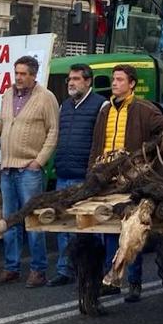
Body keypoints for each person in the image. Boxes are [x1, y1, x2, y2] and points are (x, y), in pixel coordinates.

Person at [90, 64, 163, 303]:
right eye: (114, 79)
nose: (114, 83)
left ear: (131, 83)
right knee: (109, 229)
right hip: (108, 177)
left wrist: (147, 155)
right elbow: (97, 145)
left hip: (133, 179)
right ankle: (112, 278)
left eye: (120, 80)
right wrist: (91, 172)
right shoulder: (105, 111)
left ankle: (134, 281)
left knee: (130, 229)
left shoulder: (144, 109)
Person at [0, 55, 60, 287]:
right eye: (16, 73)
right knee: (9, 220)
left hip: (29, 169)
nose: (18, 78)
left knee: (33, 220)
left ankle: (38, 270)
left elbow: (53, 132)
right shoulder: (7, 94)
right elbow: (3, 120)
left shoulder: (46, 98)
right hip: (7, 167)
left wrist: (39, 161)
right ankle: (11, 267)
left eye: (23, 74)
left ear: (34, 75)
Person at [47, 64, 106, 287]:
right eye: (69, 79)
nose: (71, 83)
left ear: (88, 81)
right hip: (64, 173)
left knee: (90, 227)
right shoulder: (65, 106)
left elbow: (100, 141)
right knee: (64, 225)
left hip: (85, 176)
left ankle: (92, 271)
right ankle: (65, 270)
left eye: (76, 79)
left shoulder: (101, 105)